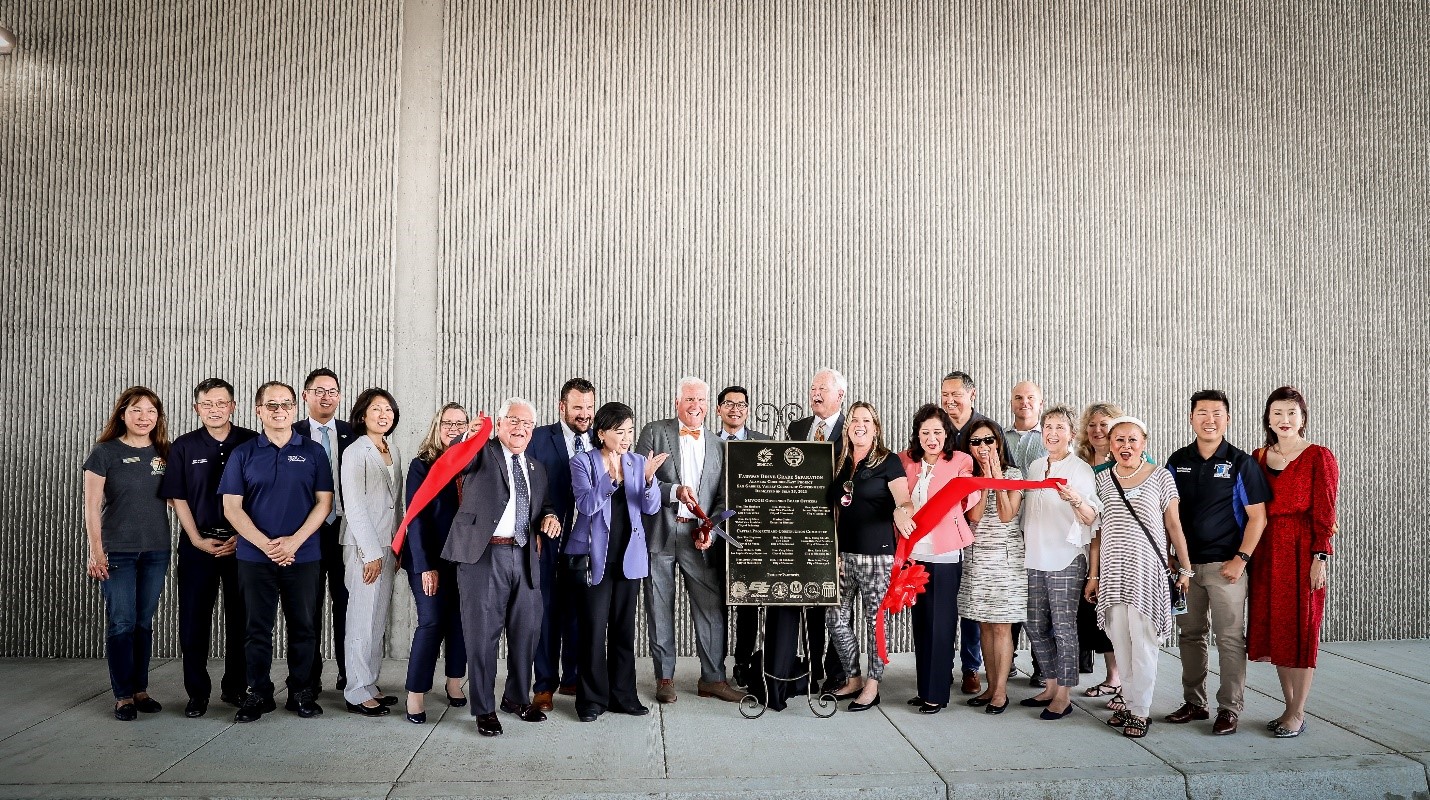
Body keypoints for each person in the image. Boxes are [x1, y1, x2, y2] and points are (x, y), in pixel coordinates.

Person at [442, 398, 561, 736]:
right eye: (513, 421)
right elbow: (456, 457)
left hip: (524, 556)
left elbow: (544, 505)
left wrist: (550, 517)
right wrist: (470, 436)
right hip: (483, 556)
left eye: (527, 423)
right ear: (499, 423)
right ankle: (484, 709)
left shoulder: (536, 468)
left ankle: (516, 698)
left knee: (527, 632)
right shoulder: (481, 453)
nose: (520, 428)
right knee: (482, 636)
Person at [220, 382, 334, 722]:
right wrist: (265, 544)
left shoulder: (314, 452)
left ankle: (301, 691)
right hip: (255, 557)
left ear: (295, 409)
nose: (279, 410)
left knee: (304, 627)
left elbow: (324, 503)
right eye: (271, 405)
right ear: (259, 410)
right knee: (256, 629)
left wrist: (294, 542)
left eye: (286, 404)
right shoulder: (243, 453)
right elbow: (231, 507)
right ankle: (258, 693)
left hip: (303, 554)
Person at [1163, 390, 1270, 736]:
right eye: (1202, 413)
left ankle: (1229, 708)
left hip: (1226, 568)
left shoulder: (1241, 463)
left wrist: (1241, 559)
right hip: (1186, 570)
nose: (1209, 420)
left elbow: (1258, 518)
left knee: (1229, 639)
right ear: (1191, 418)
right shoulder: (1177, 460)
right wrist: (1171, 556)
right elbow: (1167, 513)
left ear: (1227, 419)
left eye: (1217, 414)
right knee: (1190, 635)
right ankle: (1194, 703)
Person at [636, 377, 743, 704]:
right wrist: (672, 491)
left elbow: (724, 497)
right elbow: (638, 480)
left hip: (699, 539)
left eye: (701, 400)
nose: (695, 406)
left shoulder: (719, 445)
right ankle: (664, 678)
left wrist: (711, 528)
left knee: (711, 608)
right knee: (659, 607)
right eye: (689, 399)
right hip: (660, 533)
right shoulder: (654, 432)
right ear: (677, 403)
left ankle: (713, 678)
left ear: (709, 405)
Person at [1087, 416, 1192, 738]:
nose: (1126, 446)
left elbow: (1174, 525)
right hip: (1113, 573)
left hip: (1147, 573)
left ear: (1143, 442)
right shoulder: (1102, 480)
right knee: (1121, 643)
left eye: (1132, 439)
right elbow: (1096, 534)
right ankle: (1130, 703)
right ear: (1110, 445)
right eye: (1119, 440)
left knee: (1143, 645)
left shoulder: (1161, 476)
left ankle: (1141, 712)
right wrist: (1093, 576)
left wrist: (1186, 568)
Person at [159, 378, 258, 718]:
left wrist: (243, 536)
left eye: (221, 403)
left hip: (242, 544)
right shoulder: (184, 446)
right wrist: (197, 539)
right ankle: (197, 693)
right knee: (193, 620)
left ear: (233, 406)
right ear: (196, 408)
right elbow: (177, 497)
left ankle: (236, 687)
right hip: (197, 544)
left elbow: (260, 494)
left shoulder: (251, 441)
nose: (215, 409)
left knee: (242, 619)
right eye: (207, 404)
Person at [566, 402, 666, 721]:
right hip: (594, 558)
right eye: (619, 431)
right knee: (593, 631)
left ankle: (623, 695)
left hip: (629, 557)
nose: (626, 438)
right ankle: (591, 700)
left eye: (630, 431)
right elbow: (586, 505)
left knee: (624, 631)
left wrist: (648, 481)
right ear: (602, 433)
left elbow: (650, 508)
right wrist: (610, 480)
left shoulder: (638, 462)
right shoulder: (582, 462)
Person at [1250, 386, 1339, 739]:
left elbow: (1326, 511)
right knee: (1278, 630)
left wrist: (1321, 556)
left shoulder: (1318, 456)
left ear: (1302, 418)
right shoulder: (1258, 457)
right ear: (1268, 419)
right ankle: (1288, 706)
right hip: (1265, 551)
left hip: (1302, 550)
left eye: (1291, 413)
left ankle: (1298, 711)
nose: (1284, 419)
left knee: (1302, 629)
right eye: (1277, 413)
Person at [83, 386, 173, 721]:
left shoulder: (165, 452)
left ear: (158, 417)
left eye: (151, 411)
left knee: (143, 622)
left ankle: (140, 690)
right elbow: (91, 507)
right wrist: (97, 552)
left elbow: (178, 500)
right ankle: (123, 696)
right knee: (122, 622)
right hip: (117, 551)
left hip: (156, 549)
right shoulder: (105, 452)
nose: (144, 417)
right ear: (123, 414)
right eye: (136, 410)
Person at [762, 367, 848, 707]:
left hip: (837, 527)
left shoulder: (850, 430)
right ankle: (809, 669)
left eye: (823, 388)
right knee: (804, 597)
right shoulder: (797, 428)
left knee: (834, 604)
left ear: (840, 395)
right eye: (813, 388)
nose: (816, 393)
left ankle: (836, 672)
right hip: (800, 528)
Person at [824, 401, 914, 712]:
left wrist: (902, 513)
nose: (859, 425)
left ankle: (873, 685)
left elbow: (905, 501)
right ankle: (853, 677)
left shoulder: (888, 461)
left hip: (878, 557)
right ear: (847, 427)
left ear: (875, 428)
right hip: (843, 556)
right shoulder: (841, 461)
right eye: (853, 420)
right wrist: (833, 550)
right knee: (834, 618)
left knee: (875, 623)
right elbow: (837, 509)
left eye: (866, 420)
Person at [1020, 406, 1101, 719]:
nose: (1052, 433)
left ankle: (1064, 695)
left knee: (1064, 628)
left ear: (1072, 434)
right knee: (1035, 624)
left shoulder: (1080, 470)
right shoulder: (1035, 466)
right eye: (1048, 427)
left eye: (1060, 427)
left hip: (1066, 557)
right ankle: (1051, 685)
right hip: (1034, 557)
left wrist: (1075, 499)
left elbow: (1092, 517)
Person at [525, 378, 596, 711]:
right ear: (562, 407)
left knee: (580, 612)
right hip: (548, 539)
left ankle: (574, 677)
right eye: (578, 407)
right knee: (547, 613)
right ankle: (544, 685)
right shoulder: (538, 438)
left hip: (589, 542)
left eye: (589, 407)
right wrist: (538, 525)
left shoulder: (600, 438)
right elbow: (524, 487)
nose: (584, 414)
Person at [898, 405, 975, 714]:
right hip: (913, 554)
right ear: (917, 435)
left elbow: (970, 495)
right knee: (921, 624)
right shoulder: (905, 460)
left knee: (941, 625)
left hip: (944, 554)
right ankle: (924, 688)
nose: (932, 439)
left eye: (938, 432)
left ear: (947, 434)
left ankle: (937, 693)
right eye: (925, 432)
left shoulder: (960, 461)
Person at [402, 404, 470, 723]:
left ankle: (454, 682)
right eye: (448, 423)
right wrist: (425, 566)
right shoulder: (422, 465)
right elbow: (415, 518)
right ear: (437, 427)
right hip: (428, 557)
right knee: (431, 622)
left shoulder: (474, 463)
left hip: (464, 559)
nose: (454, 428)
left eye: (460, 423)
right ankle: (415, 694)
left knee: (460, 622)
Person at [940, 370, 1006, 695]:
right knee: (945, 602)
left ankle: (971, 667)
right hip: (944, 526)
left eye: (956, 395)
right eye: (945, 395)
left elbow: (1002, 474)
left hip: (981, 529)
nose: (950, 401)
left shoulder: (986, 430)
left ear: (972, 394)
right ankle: (941, 666)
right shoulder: (937, 427)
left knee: (972, 602)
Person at [340, 388, 404, 717]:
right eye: (376, 409)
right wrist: (370, 552)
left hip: (388, 543)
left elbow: (398, 504)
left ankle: (369, 682)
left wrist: (398, 544)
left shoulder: (393, 449)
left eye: (388, 409)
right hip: (363, 546)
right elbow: (353, 505)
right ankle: (355, 690)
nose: (383, 415)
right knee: (360, 619)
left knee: (377, 619)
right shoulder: (355, 451)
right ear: (363, 415)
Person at [292, 368, 355, 694]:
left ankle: (350, 674)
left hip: (346, 530)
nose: (326, 397)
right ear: (306, 396)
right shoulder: (291, 433)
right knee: (308, 607)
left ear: (339, 396)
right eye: (319, 391)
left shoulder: (354, 433)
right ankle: (309, 678)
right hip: (306, 532)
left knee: (347, 604)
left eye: (332, 391)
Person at [958, 421, 1025, 714]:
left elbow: (1007, 514)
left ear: (998, 442)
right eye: (975, 442)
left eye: (988, 440)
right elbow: (973, 515)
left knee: (1001, 626)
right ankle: (989, 686)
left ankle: (1001, 691)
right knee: (984, 624)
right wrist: (983, 479)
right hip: (977, 559)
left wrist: (996, 476)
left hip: (1007, 561)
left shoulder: (1015, 475)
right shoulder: (967, 477)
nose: (982, 446)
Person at [715, 384, 773, 689]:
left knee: (748, 602)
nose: (735, 409)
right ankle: (716, 665)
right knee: (717, 604)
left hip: (753, 535)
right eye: (728, 403)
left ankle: (743, 662)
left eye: (741, 404)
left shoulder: (765, 443)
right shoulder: (708, 442)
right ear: (718, 409)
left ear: (748, 410)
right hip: (717, 533)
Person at [1075, 402, 1124, 699]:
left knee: (1119, 617)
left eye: (1103, 424)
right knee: (1098, 615)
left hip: (1117, 548)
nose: (1097, 430)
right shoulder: (1080, 461)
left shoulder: (1127, 460)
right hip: (1085, 548)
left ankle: (1127, 684)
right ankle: (1113, 678)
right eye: (1091, 425)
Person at [1004, 380, 1046, 686]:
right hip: (1006, 529)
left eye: (1030, 397)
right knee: (1009, 598)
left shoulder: (1050, 436)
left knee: (1038, 600)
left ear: (1040, 403)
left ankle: (1042, 664)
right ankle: (1006, 662)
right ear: (1012, 402)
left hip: (1040, 528)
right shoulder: (1000, 436)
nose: (1024, 402)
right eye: (1018, 397)